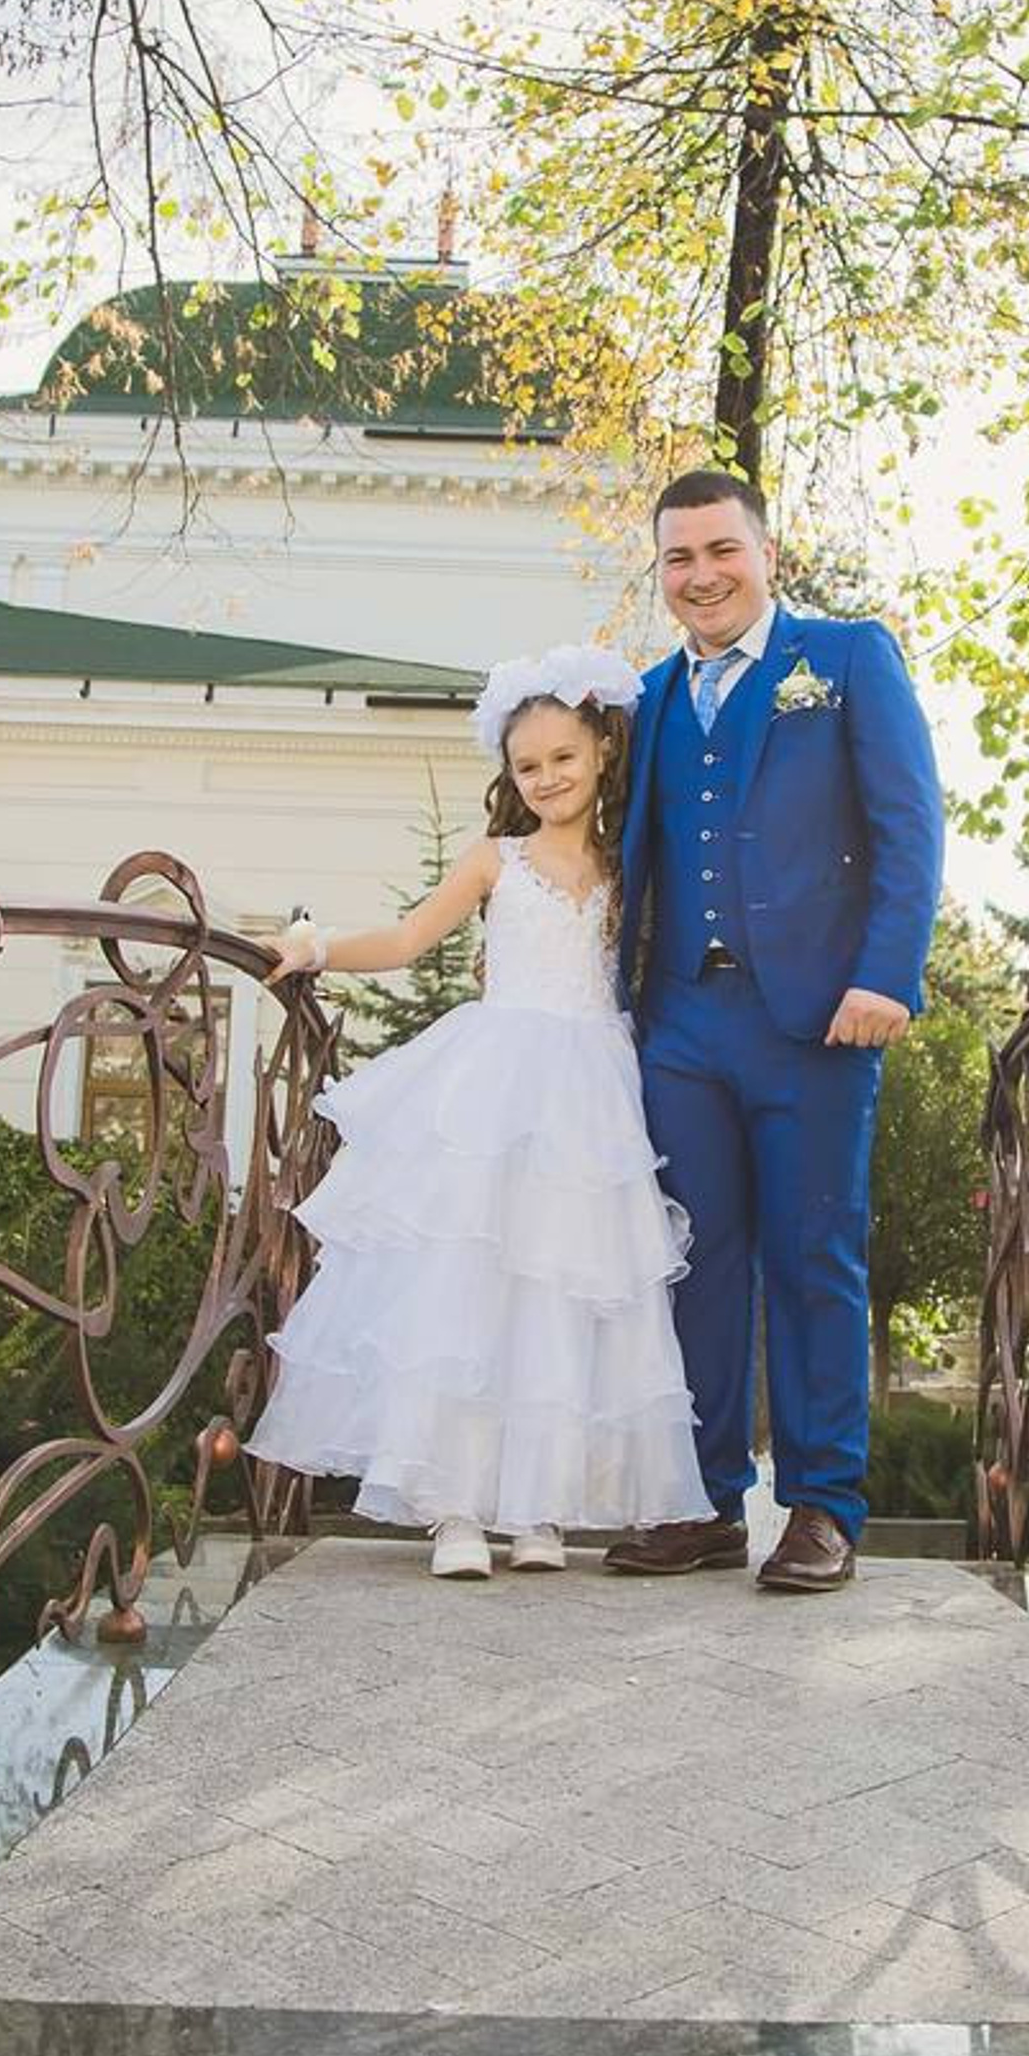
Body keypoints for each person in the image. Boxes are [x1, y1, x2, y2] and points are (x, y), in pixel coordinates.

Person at [245, 644, 712, 1579]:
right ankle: (454, 1509)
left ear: (604, 752)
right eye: (527, 765)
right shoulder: (497, 861)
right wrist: (317, 945)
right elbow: (409, 937)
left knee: (562, 1297)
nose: (547, 778)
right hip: (495, 1088)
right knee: (470, 1295)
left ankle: (539, 1509)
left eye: (564, 758)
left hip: (591, 1101)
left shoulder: (629, 868)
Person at [605, 470, 944, 1594]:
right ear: (660, 572)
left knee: (814, 1257)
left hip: (817, 1019)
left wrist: (887, 974)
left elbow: (909, 824)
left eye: (721, 550)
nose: (701, 575)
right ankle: (703, 1502)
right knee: (694, 1263)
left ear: (765, 554)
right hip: (680, 1025)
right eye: (679, 557)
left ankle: (822, 1506)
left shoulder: (845, 660)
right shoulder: (647, 698)